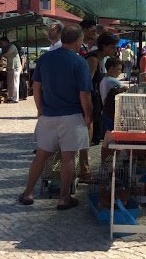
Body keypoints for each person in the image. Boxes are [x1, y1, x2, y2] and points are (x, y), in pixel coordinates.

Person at [18, 24, 93, 210]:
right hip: (72, 115)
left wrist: (40, 109)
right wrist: (88, 116)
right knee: (68, 157)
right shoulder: (79, 62)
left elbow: (36, 86)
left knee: (41, 156)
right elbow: (85, 94)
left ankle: (28, 192)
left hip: (49, 115)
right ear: (78, 41)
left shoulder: (45, 59)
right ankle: (63, 198)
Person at [0, 36, 21, 103]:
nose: (1, 45)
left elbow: (6, 54)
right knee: (10, 83)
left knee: (15, 83)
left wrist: (0, 56)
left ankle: (15, 99)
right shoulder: (6, 47)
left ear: (6, 42)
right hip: (10, 67)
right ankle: (11, 97)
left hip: (15, 67)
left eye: (2, 43)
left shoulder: (12, 46)